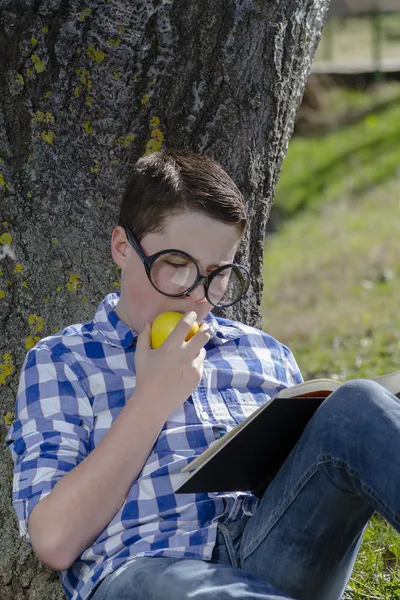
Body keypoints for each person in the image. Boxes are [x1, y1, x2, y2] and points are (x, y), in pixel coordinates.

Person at [6, 149, 400, 600]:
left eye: (217, 275)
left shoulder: (264, 352)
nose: (197, 296)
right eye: (176, 265)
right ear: (122, 247)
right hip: (148, 568)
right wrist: (152, 400)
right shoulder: (63, 361)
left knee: (356, 403)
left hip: (275, 550)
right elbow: (54, 541)